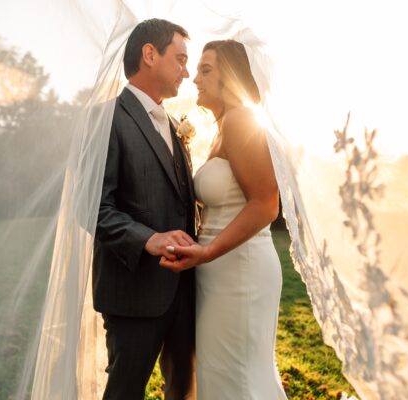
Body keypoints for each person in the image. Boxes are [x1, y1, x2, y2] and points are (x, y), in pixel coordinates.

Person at [160, 40, 288, 399]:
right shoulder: (222, 127)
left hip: (240, 269)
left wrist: (208, 251)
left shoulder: (241, 120)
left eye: (206, 70)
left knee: (239, 377)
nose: (194, 78)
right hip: (218, 268)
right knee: (222, 373)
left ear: (229, 77)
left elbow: (265, 204)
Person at [92, 18, 197, 400]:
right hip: (132, 292)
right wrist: (148, 239)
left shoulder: (171, 122)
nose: (186, 72)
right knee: (124, 392)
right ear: (149, 54)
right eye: (181, 60)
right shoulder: (106, 118)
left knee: (184, 390)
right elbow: (92, 207)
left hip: (184, 289)